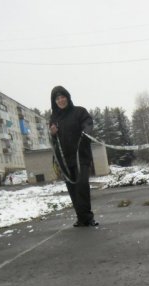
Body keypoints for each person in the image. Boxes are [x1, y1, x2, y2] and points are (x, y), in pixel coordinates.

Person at [49, 85, 99, 227]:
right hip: (64, 160)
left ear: (68, 97)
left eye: (63, 97)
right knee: (72, 189)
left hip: (80, 157)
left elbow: (88, 123)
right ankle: (80, 218)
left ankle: (88, 218)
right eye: (57, 98)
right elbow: (54, 141)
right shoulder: (54, 118)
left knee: (82, 186)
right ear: (54, 101)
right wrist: (52, 134)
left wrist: (85, 132)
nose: (61, 100)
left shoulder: (79, 112)